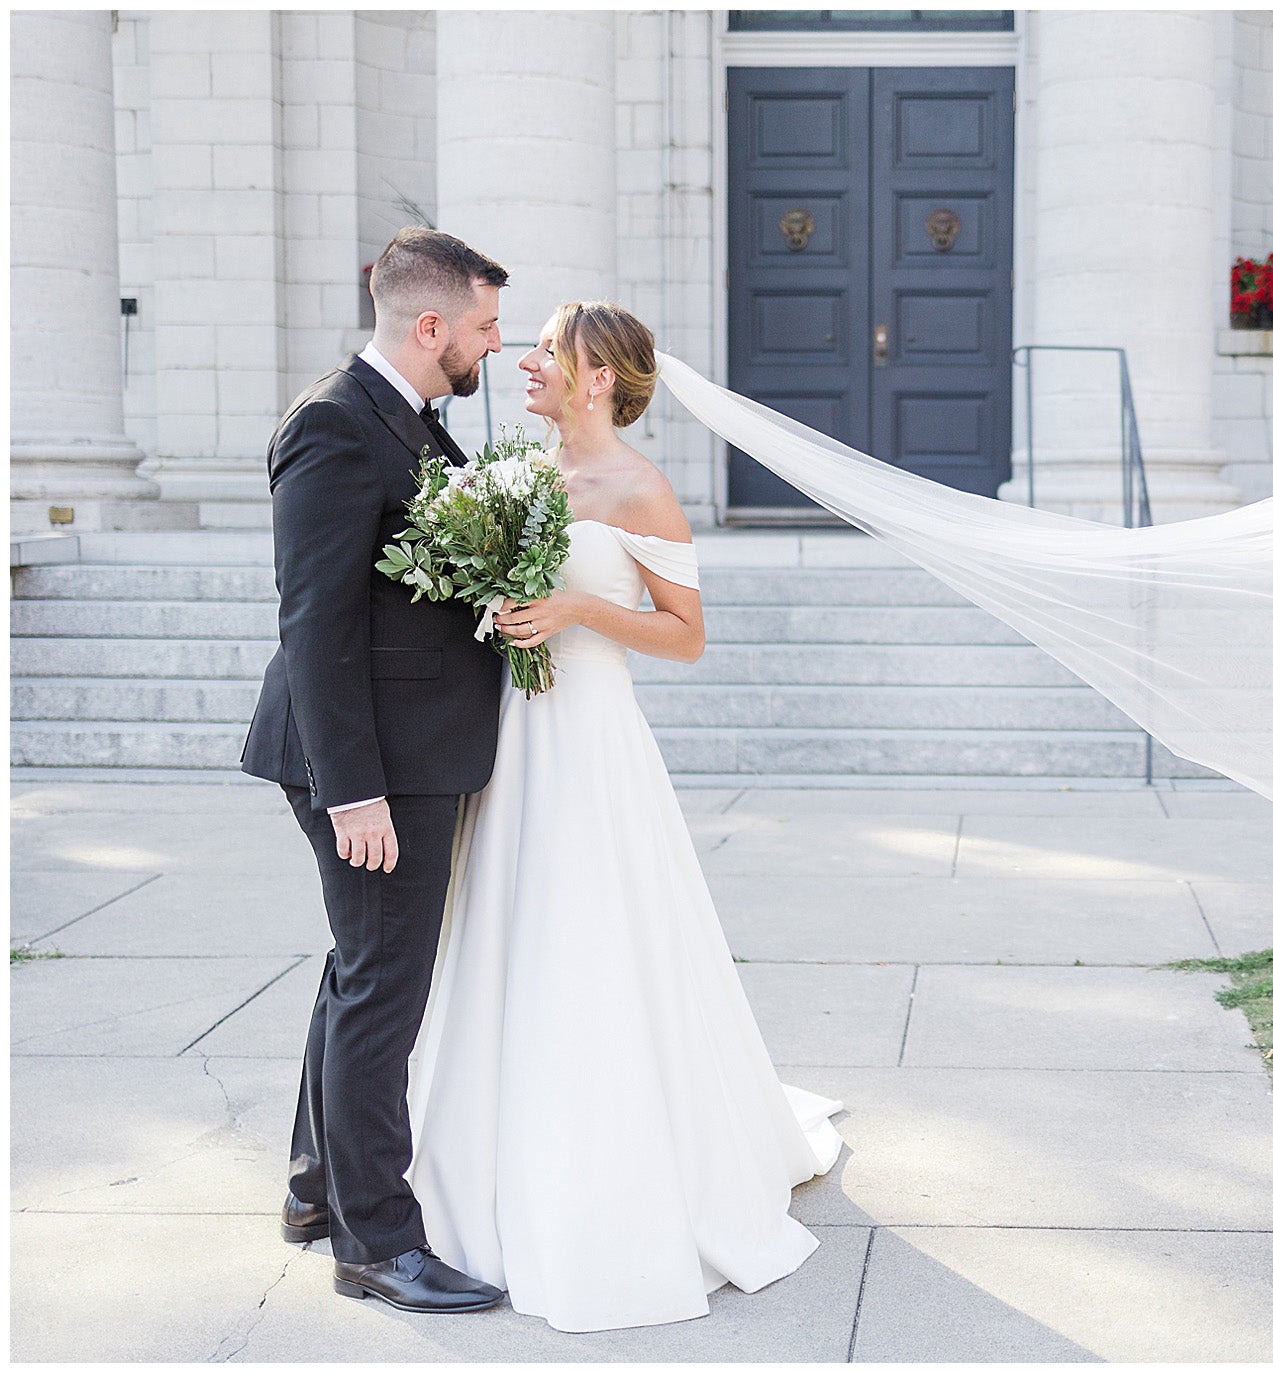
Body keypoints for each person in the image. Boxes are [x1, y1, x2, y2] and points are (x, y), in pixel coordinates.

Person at [404, 300, 847, 1333]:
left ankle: (612, 1164)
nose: (525, 362)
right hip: (508, 735)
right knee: (499, 927)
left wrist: (574, 610)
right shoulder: (507, 473)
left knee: (593, 934)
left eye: (546, 350)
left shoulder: (641, 490)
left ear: (598, 375)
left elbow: (684, 635)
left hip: (592, 739)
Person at [241, 227, 512, 1313]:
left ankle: (315, 1193)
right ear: (430, 323)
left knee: (360, 969)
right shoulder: (333, 426)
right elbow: (314, 618)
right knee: (383, 991)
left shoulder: (414, 424)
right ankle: (377, 1243)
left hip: (412, 753)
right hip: (369, 768)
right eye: (485, 325)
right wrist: (354, 791)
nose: (495, 343)